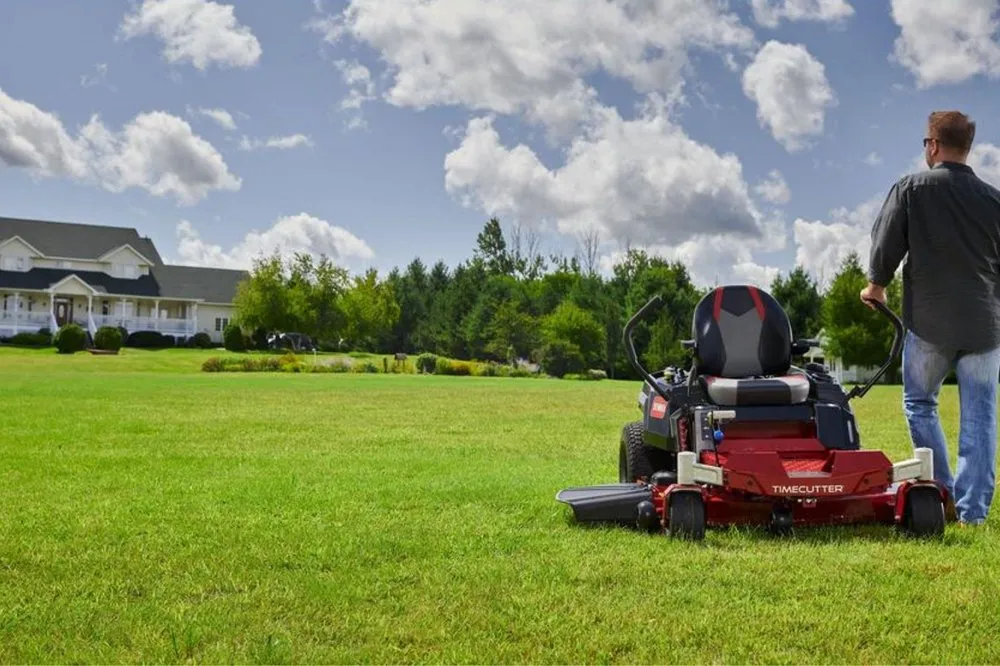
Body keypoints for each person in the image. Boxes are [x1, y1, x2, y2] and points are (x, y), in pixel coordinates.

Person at [861, 110, 1000, 527]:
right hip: (984, 327)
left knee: (920, 402)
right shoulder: (994, 200)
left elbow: (886, 238)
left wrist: (876, 285)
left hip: (929, 323)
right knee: (980, 414)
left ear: (933, 146)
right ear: (967, 148)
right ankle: (973, 512)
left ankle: (942, 494)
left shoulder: (911, 189)